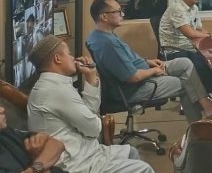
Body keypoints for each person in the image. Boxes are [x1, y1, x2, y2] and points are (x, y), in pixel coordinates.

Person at [27, 36, 154, 173]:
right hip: (78, 163)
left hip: (86, 151)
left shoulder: (53, 85)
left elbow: (89, 117)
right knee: (144, 169)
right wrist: (93, 120)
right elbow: (94, 129)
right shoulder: (55, 91)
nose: (73, 58)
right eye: (69, 54)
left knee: (132, 152)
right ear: (57, 59)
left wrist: (91, 78)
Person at [86, 0, 212, 123]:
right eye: (118, 11)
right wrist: (153, 71)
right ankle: (198, 128)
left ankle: (206, 104)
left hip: (141, 73)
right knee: (188, 84)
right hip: (134, 88)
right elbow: (133, 77)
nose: (122, 14)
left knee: (184, 63)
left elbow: (128, 59)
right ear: (104, 17)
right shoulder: (108, 44)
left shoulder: (100, 35)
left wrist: (147, 62)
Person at [157, 0, 212, 92]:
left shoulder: (194, 8)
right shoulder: (177, 8)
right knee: (200, 64)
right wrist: (208, 36)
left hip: (189, 47)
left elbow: (199, 28)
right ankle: (203, 95)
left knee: (210, 60)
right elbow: (190, 33)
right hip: (174, 50)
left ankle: (211, 92)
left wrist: (211, 36)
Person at [0, 105, 65, 173]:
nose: (2, 109)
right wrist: (39, 161)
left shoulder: (5, 132)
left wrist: (35, 168)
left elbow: (57, 144)